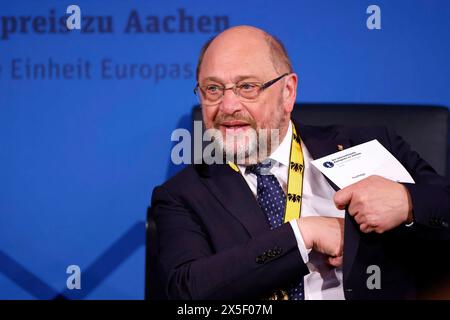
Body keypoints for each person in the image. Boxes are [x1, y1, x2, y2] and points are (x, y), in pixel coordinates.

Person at [151, 25, 450, 300]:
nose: (228, 106)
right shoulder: (182, 195)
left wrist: (407, 202)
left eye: (247, 87)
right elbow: (185, 292)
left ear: (288, 92)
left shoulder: (368, 144)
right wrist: (303, 233)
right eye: (213, 89)